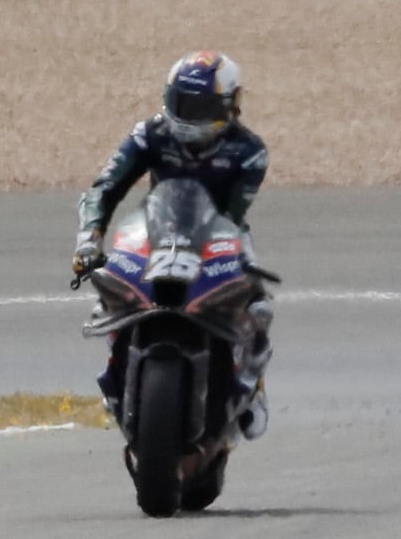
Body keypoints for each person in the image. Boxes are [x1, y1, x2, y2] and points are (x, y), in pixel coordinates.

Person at [73, 52, 275, 438]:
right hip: (155, 225)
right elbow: (105, 188)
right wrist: (90, 238)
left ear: (229, 106)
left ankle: (253, 386)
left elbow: (233, 214)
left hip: (220, 229)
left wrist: (227, 255)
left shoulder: (250, 152)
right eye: (181, 102)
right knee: (112, 287)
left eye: (200, 106)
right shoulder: (148, 134)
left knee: (258, 303)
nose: (188, 114)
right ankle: (118, 365)